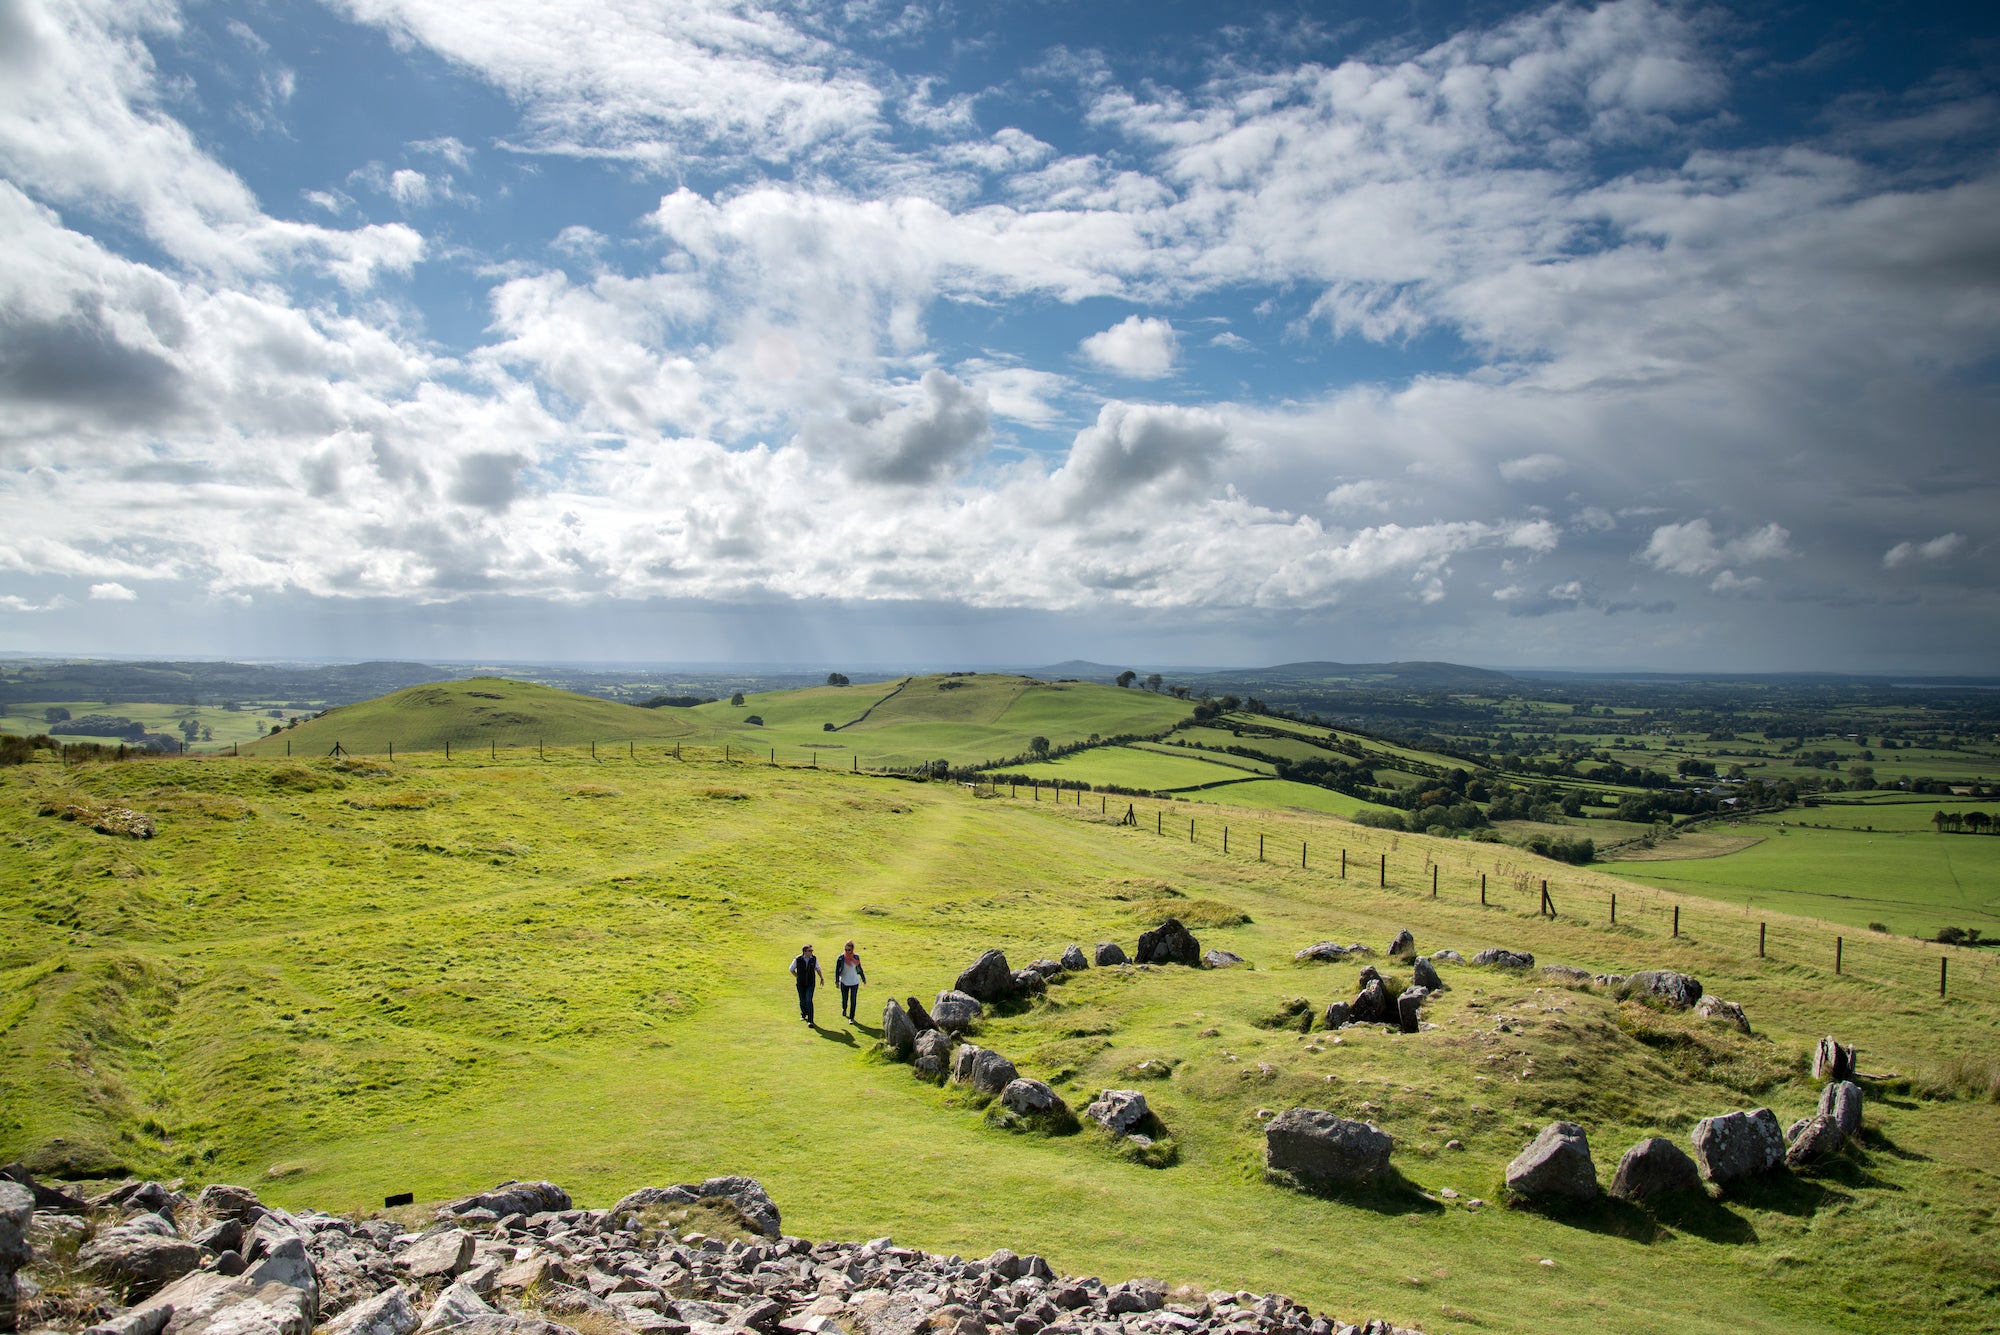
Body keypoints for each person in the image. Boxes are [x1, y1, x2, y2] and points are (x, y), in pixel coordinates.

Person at [789, 943, 824, 1024]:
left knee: (809, 1000)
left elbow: (817, 968)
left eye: (811, 950)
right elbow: (791, 969)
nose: (811, 952)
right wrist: (797, 976)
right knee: (802, 1000)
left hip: (810, 983)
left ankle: (810, 1020)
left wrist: (821, 977)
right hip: (800, 984)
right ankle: (803, 1014)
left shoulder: (813, 959)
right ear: (804, 952)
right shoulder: (798, 959)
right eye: (809, 951)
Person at [835, 940, 867, 1021]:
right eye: (845, 950)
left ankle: (851, 1017)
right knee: (844, 999)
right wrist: (837, 981)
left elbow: (859, 968)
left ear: (852, 950)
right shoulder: (841, 958)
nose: (847, 951)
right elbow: (837, 970)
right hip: (844, 982)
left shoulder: (856, 957)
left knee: (853, 1000)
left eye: (849, 950)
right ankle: (844, 1008)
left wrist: (863, 978)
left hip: (854, 982)